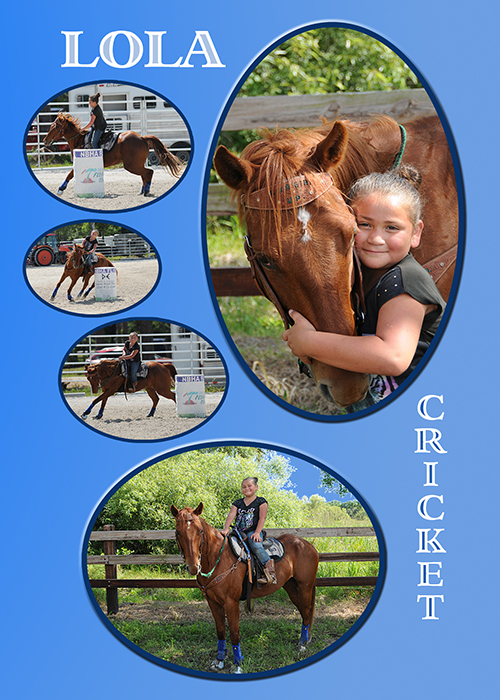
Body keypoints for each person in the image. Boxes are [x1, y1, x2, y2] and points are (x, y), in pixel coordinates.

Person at [282, 166, 446, 410]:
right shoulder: (359, 276)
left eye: (392, 227)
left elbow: (393, 356)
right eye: (364, 225)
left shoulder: (404, 281)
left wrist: (310, 342)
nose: (376, 239)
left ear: (416, 233)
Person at [221, 477, 277, 585]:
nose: (246, 488)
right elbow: (231, 514)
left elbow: (262, 518)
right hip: (238, 532)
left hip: (252, 532)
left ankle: (271, 573)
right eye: (244, 487)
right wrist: (226, 528)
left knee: (255, 545)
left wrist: (257, 532)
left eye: (249, 486)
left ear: (256, 487)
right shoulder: (238, 503)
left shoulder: (260, 501)